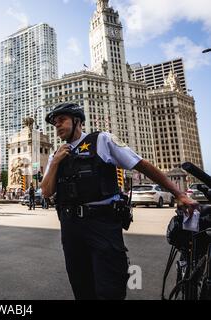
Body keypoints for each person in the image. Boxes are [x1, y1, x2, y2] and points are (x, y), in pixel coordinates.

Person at [41, 103, 198, 300]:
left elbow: (142, 165)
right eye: (55, 123)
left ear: (77, 121)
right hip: (71, 228)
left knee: (110, 289)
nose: (58, 126)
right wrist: (55, 162)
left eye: (62, 120)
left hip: (102, 225)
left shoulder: (101, 140)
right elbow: (46, 191)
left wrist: (179, 193)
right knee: (81, 286)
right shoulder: (57, 155)